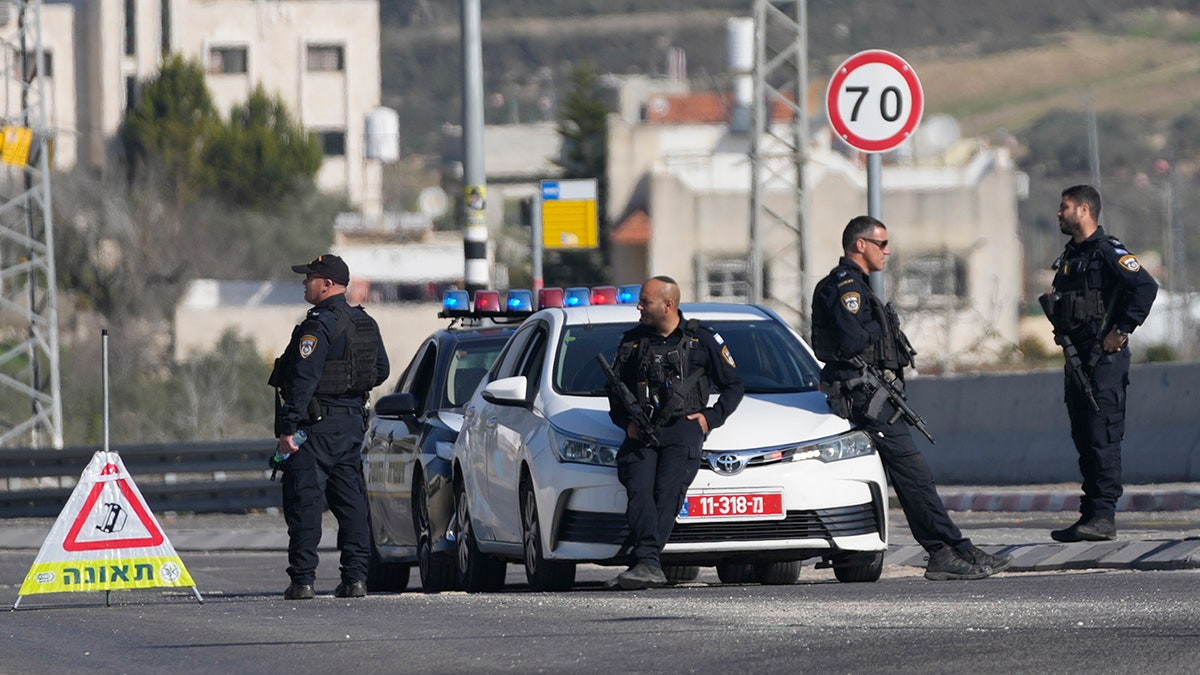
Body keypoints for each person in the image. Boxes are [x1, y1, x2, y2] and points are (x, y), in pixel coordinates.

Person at [811, 216, 1010, 581]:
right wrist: (880, 325)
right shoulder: (845, 288)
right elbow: (851, 342)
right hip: (864, 394)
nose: (888, 251)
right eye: (881, 244)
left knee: (915, 476)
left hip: (874, 392)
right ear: (860, 245)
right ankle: (941, 552)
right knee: (914, 478)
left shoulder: (858, 286)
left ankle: (958, 548)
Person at [605, 275, 744, 590]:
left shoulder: (703, 339)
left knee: (668, 493)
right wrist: (625, 423)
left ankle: (647, 562)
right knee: (639, 488)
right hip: (642, 430)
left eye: (645, 301)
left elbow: (734, 384)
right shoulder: (633, 341)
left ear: (667, 305)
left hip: (683, 429)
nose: (638, 306)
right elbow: (614, 391)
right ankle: (648, 563)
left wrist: (710, 419)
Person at [269, 254, 390, 600]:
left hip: (315, 427)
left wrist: (288, 428)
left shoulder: (318, 325)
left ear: (327, 284)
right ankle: (355, 579)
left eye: (310, 278)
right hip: (351, 425)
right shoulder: (364, 322)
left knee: (305, 501)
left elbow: (303, 379)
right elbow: (380, 370)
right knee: (350, 502)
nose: (304, 283)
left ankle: (303, 580)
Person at [1042, 185, 1158, 542]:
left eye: (1064, 207)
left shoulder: (1108, 252)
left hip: (1103, 360)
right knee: (1084, 436)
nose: (1059, 214)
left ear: (1084, 210)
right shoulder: (1069, 257)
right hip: (1077, 360)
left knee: (1103, 436)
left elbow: (1145, 287)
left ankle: (1104, 516)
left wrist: (1122, 330)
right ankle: (1090, 515)